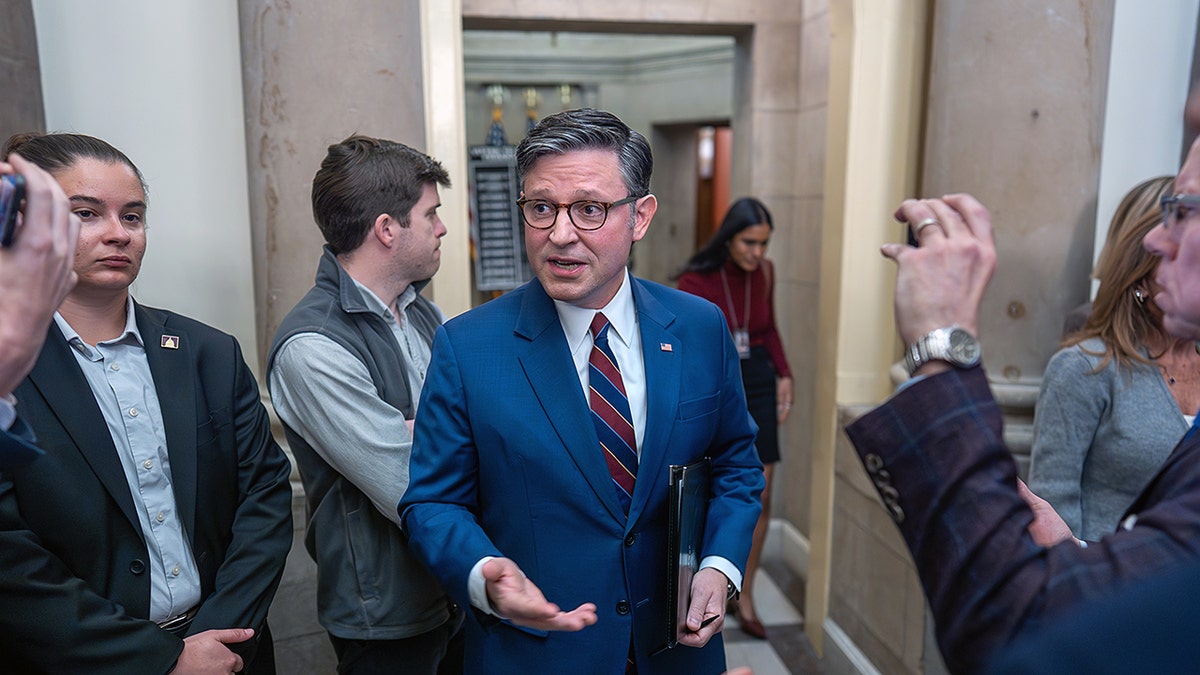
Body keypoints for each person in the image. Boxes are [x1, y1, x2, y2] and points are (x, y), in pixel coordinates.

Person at [399, 108, 764, 674]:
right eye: (541, 208)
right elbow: (432, 502)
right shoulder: (468, 348)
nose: (560, 234)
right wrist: (482, 573)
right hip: (535, 652)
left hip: (676, 652)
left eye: (589, 209)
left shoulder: (699, 328)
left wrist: (719, 565)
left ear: (640, 216)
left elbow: (738, 464)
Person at [842, 133, 1200, 673]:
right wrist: (1071, 544)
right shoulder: (1087, 366)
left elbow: (1019, 631)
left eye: (1182, 210)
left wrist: (941, 346)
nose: (1155, 239)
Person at [3, 132, 293, 674]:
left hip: (229, 651)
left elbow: (266, 495)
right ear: (30, 225)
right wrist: (161, 662)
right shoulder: (9, 368)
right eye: (86, 214)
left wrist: (216, 640)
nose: (118, 234)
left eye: (133, 217)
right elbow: (10, 558)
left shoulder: (207, 351)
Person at [266, 135, 463, 674]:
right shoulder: (313, 345)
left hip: (452, 592)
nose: (442, 227)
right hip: (384, 613)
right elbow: (406, 482)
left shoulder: (425, 314)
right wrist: (440, 435)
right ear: (387, 229)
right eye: (432, 215)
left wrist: (418, 429)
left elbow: (468, 428)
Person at [1029, 175, 1200, 542]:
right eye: (1168, 258)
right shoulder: (1085, 367)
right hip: (1107, 584)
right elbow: (1051, 509)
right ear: (1140, 282)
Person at [675, 197, 792, 639]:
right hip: (716, 382)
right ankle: (706, 584)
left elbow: (768, 329)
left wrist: (785, 374)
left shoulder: (765, 274)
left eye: (763, 244)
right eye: (749, 243)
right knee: (718, 489)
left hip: (758, 379)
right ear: (729, 239)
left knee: (759, 494)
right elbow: (686, 348)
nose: (757, 253)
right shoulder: (695, 280)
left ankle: (747, 590)